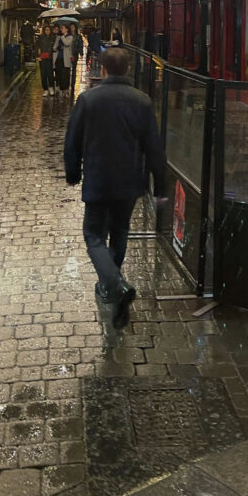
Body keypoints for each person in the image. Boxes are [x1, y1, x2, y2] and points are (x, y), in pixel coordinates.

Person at [63, 46, 167, 328]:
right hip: (129, 181)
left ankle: (114, 285)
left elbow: (72, 141)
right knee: (120, 230)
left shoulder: (88, 100)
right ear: (128, 69)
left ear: (103, 69)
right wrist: (161, 187)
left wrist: (72, 173)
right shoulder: (142, 101)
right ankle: (113, 285)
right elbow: (154, 148)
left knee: (93, 235)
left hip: (98, 177)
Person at [52, 25, 72, 96]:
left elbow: (66, 43)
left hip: (65, 59)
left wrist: (62, 36)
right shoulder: (58, 37)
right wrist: (55, 48)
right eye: (61, 28)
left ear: (66, 29)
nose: (61, 29)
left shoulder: (70, 37)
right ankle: (62, 89)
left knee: (65, 75)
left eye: (62, 28)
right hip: (58, 58)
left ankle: (66, 90)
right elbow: (54, 46)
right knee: (59, 74)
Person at [37, 23, 55, 96]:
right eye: (46, 30)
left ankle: (51, 87)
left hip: (50, 59)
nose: (47, 31)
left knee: (50, 74)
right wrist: (38, 56)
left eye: (48, 30)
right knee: (43, 74)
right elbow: (37, 47)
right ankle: (45, 89)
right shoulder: (41, 38)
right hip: (42, 59)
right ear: (44, 31)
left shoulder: (53, 38)